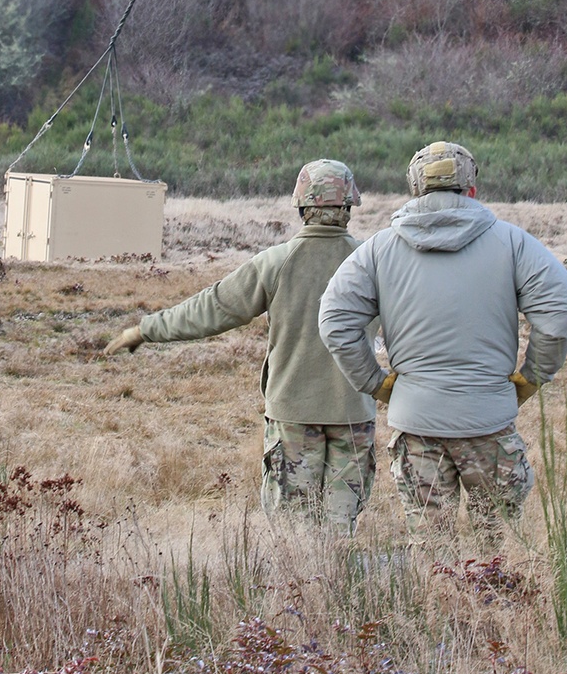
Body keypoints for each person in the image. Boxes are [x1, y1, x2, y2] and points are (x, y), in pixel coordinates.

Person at [318, 141, 567, 543]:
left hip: (416, 425)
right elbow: (558, 315)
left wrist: (375, 383)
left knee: (432, 553)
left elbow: (335, 321)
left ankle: (439, 605)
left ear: (415, 189)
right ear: (471, 189)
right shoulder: (514, 244)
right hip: (490, 423)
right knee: (500, 548)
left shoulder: (378, 250)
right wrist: (532, 377)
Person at [104, 160, 378, 532]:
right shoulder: (372, 263)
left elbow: (213, 308)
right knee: (340, 530)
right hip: (354, 415)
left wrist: (146, 329)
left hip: (292, 416)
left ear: (301, 205)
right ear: (350, 205)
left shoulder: (276, 263)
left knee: (294, 538)